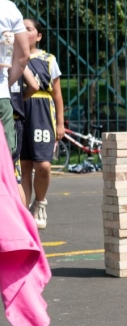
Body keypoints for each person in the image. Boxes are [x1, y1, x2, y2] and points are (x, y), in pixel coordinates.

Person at [17, 19, 64, 229]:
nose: (25, 32)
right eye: (21, 29)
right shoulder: (13, 57)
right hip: (20, 109)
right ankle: (24, 213)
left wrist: (60, 123)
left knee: (43, 165)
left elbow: (58, 94)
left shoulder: (48, 59)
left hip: (42, 111)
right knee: (24, 165)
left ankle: (40, 202)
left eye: (29, 29)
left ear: (38, 36)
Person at [0, 0, 30, 161]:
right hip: (1, 92)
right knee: (4, 159)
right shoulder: (8, 8)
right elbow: (23, 56)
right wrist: (6, 83)